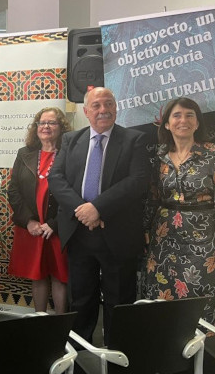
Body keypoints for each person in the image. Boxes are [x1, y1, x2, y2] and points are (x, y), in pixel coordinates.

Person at [48, 87, 149, 345]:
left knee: (119, 300)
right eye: (96, 105)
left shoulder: (134, 139)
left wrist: (99, 207)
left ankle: (117, 354)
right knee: (80, 299)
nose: (103, 110)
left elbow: (137, 181)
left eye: (108, 104)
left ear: (116, 107)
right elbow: (56, 179)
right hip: (79, 233)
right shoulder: (71, 140)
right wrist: (83, 210)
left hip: (117, 234)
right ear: (86, 111)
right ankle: (80, 355)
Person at [142, 97, 215, 331]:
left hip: (205, 240)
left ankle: (208, 356)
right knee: (164, 295)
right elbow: (152, 198)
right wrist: (144, 229)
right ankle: (170, 353)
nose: (183, 120)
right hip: (164, 241)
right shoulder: (159, 157)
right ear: (166, 124)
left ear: (197, 123)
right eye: (177, 115)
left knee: (204, 297)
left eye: (189, 115)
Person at [7, 107, 72, 313]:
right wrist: (29, 221)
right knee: (38, 275)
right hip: (32, 227)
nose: (45, 127)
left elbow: (74, 192)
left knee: (60, 277)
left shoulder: (69, 154)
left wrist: (53, 224)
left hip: (58, 227)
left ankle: (62, 326)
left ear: (61, 127)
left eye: (52, 123)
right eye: (41, 123)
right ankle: (40, 320)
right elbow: (14, 190)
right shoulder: (24, 154)